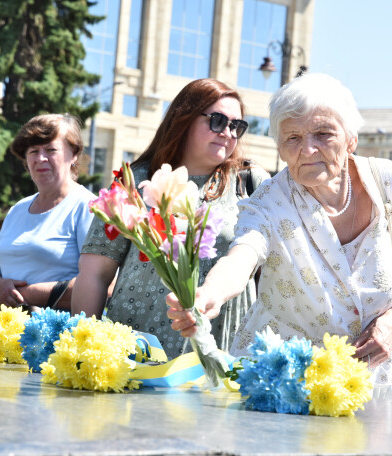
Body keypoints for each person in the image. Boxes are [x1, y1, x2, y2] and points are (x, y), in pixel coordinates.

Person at [166, 73, 392, 403]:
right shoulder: (268, 202)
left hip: (379, 379)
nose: (308, 149)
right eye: (293, 137)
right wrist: (207, 295)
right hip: (288, 385)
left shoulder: (389, 184)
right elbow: (242, 255)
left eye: (323, 134)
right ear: (279, 146)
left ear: (350, 139)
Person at [71, 78, 270, 358]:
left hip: (220, 351)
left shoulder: (250, 184)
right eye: (217, 120)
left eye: (236, 126)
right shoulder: (135, 181)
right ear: (183, 120)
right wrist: (83, 348)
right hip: (134, 349)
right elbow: (95, 273)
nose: (227, 132)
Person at [0, 114, 96, 311]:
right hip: (6, 334)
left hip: (60, 338)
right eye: (33, 151)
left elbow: (103, 285)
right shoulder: (18, 209)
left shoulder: (88, 207)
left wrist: (24, 295)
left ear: (74, 154)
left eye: (51, 150)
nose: (41, 158)